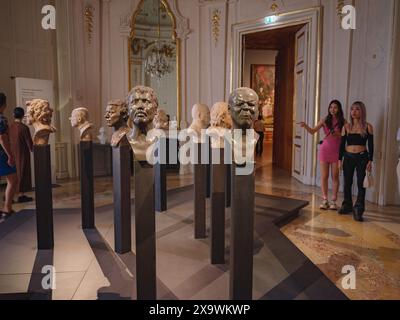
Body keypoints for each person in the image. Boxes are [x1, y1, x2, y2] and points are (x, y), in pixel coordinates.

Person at [299, 100, 345, 210]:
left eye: (335, 107)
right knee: (324, 176)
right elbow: (313, 131)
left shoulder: (343, 121)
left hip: (336, 151)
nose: (332, 109)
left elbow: (345, 136)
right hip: (325, 149)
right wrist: (305, 126)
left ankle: (333, 200)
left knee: (335, 176)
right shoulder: (324, 120)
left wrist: (338, 134)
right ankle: (325, 199)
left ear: (339, 109)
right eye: (331, 107)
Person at [338, 101, 374, 222]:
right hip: (348, 157)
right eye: (352, 109)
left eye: (357, 109)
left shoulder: (368, 126)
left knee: (360, 184)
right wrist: (339, 160)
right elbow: (342, 145)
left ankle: (358, 209)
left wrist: (370, 161)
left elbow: (371, 145)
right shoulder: (346, 126)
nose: (354, 111)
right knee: (347, 182)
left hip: (362, 157)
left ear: (362, 111)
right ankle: (347, 205)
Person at [9, 107, 34, 203]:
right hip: (22, 154)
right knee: (22, 173)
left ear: (13, 115)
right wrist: (33, 150)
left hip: (11, 153)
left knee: (12, 175)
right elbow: (29, 143)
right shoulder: (24, 128)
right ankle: (21, 195)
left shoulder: (10, 127)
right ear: (23, 115)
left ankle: (10, 196)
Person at [0, 93, 18, 216]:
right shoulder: (2, 119)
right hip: (1, 154)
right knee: (13, 179)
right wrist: (10, 155)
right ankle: (7, 208)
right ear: (3, 105)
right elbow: (2, 138)